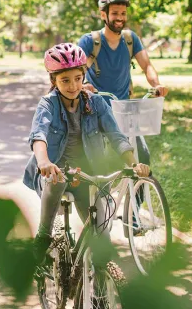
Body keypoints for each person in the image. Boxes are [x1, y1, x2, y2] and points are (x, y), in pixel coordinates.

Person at [22, 43, 150, 264]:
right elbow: (39, 135)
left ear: (83, 77)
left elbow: (116, 135)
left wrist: (134, 163)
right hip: (56, 170)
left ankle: (98, 292)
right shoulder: (48, 105)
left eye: (77, 78)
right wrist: (44, 162)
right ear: (54, 81)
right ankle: (44, 234)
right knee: (57, 178)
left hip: (86, 174)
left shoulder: (96, 102)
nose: (73, 85)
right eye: (65, 80)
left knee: (101, 240)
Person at [77, 0, 169, 166]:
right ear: (103, 15)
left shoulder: (130, 39)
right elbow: (78, 72)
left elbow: (146, 65)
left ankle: (139, 193)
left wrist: (157, 85)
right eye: (114, 13)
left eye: (123, 13)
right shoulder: (90, 41)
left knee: (142, 156)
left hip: (124, 109)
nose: (120, 18)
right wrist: (85, 84)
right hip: (97, 109)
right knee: (100, 161)